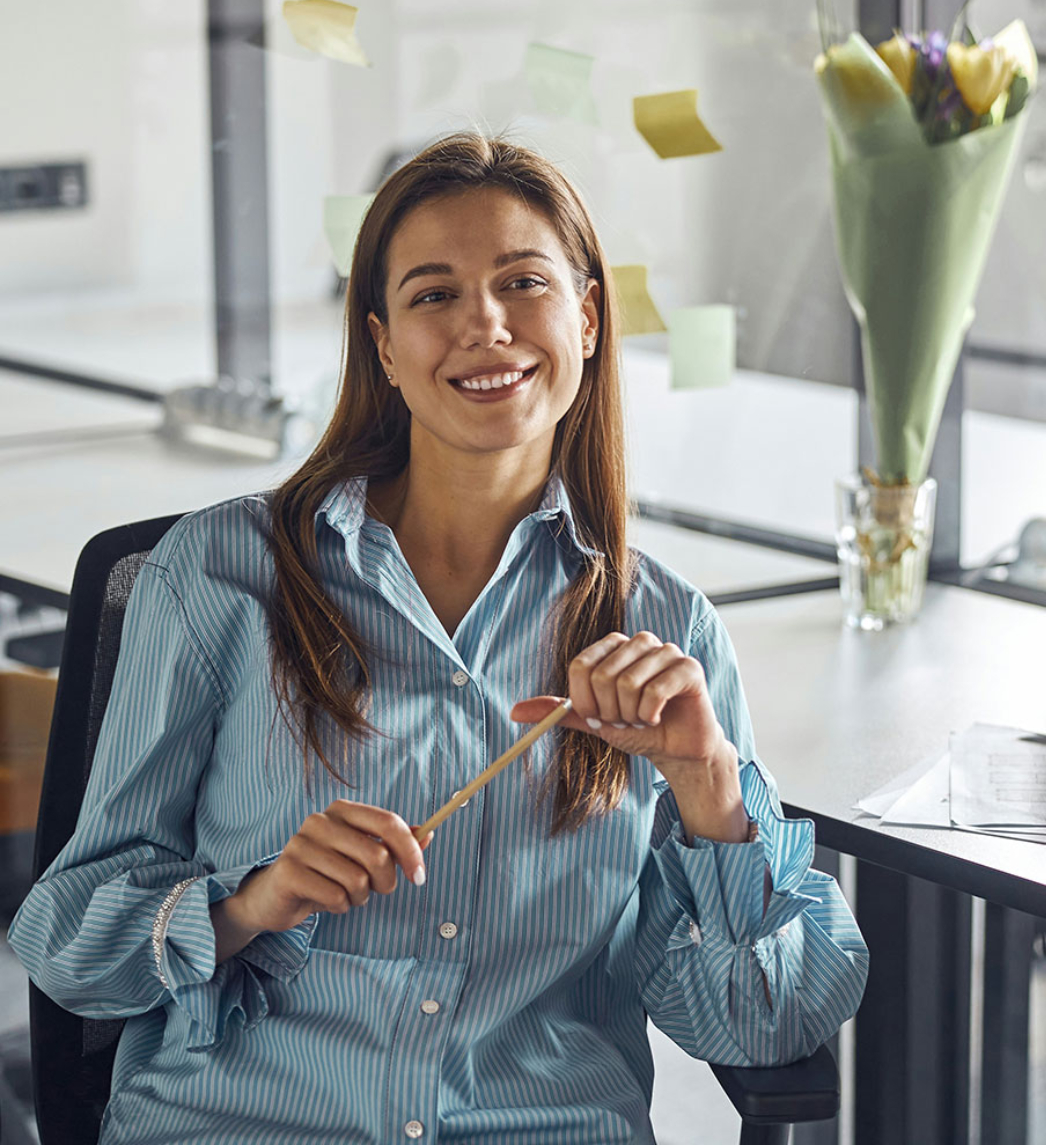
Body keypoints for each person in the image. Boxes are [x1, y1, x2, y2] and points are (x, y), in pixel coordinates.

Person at [9, 133, 868, 1144]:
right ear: (382, 345)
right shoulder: (220, 574)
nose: (486, 325)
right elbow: (68, 939)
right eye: (433, 295)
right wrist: (251, 901)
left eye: (522, 282)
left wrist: (713, 793)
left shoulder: (665, 629)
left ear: (588, 319)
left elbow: (770, 1024)